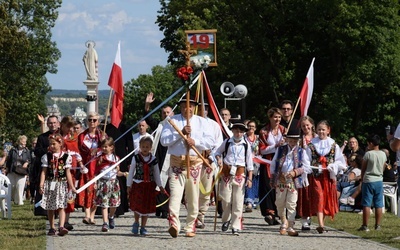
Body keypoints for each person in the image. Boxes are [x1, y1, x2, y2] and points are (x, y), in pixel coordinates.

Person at [160, 98, 213, 238]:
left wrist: (196, 142)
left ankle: (190, 226)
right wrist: (180, 133)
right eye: (184, 106)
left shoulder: (202, 122)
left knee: (193, 196)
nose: (187, 109)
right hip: (177, 163)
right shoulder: (172, 121)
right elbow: (163, 141)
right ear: (180, 107)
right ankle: (174, 224)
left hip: (194, 163)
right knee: (175, 195)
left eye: (190, 106)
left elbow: (210, 141)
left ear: (194, 108)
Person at [302, 120, 346, 234]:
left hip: (328, 177)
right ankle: (321, 224)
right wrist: (309, 169)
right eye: (319, 129)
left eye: (323, 129)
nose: (321, 131)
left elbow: (341, 162)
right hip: (316, 176)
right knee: (319, 196)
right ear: (316, 130)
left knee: (326, 199)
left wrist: (334, 166)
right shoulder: (311, 145)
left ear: (328, 130)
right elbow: (306, 160)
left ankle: (322, 223)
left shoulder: (333, 145)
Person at [215, 122, 253, 235]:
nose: (238, 133)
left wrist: (250, 179)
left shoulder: (246, 145)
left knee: (238, 201)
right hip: (227, 173)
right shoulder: (227, 142)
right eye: (236, 130)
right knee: (226, 200)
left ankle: (236, 225)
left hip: (240, 174)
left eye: (241, 131)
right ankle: (226, 219)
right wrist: (218, 159)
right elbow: (217, 152)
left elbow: (249, 163)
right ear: (233, 131)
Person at [270, 126, 307, 237]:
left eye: (295, 140)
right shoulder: (280, 149)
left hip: (293, 181)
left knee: (291, 204)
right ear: (286, 139)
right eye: (290, 140)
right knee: (279, 203)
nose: (292, 142)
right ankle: (283, 220)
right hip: (281, 180)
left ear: (298, 140)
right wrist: (274, 177)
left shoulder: (301, 152)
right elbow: (273, 164)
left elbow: (307, 167)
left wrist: (296, 172)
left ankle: (291, 225)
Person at [39, 134, 76, 236]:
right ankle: (52, 227)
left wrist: (72, 186)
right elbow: (44, 172)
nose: (52, 146)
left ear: (60, 144)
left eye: (54, 144)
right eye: (50, 144)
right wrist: (41, 185)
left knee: (61, 205)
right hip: (50, 182)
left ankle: (61, 226)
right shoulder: (47, 156)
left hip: (61, 183)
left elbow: (68, 172)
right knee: (50, 206)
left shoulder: (66, 157)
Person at [144, 92, 174, 218]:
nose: (166, 115)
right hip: (158, 156)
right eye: (164, 113)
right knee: (157, 182)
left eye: (168, 113)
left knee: (168, 184)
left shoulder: (176, 127)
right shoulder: (159, 126)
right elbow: (148, 118)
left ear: (172, 114)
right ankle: (157, 208)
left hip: (171, 157)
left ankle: (166, 209)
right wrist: (147, 105)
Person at [127, 136, 164, 236]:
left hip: (149, 186)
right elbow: (131, 172)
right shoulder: (136, 158)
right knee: (137, 206)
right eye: (143, 146)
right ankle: (136, 222)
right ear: (140, 147)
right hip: (138, 184)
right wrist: (128, 185)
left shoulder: (153, 159)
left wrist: (160, 185)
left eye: (147, 147)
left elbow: (156, 173)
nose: (145, 149)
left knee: (146, 207)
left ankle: (143, 227)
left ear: (151, 147)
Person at [196, 103, 223, 229]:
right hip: (194, 160)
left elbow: (218, 144)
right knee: (192, 189)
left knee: (205, 190)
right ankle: (193, 215)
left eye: (206, 109)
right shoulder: (192, 123)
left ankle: (201, 215)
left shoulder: (214, 125)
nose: (203, 111)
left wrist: (211, 158)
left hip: (208, 160)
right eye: (201, 108)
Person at [77, 112, 107, 225]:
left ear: (98, 122)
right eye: (90, 120)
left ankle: (92, 216)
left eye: (94, 120)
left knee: (96, 191)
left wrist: (102, 144)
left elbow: (108, 150)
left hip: (98, 167)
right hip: (86, 167)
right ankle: (87, 215)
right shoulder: (82, 136)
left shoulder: (102, 135)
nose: (92, 122)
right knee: (86, 190)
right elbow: (78, 151)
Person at [258, 107, 286, 225]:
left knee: (280, 186)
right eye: (275, 117)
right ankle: (270, 212)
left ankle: (280, 212)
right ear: (270, 118)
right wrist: (275, 146)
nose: (277, 119)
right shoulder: (264, 132)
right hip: (268, 162)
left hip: (282, 161)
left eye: (279, 117)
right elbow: (261, 150)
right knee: (268, 186)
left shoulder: (284, 130)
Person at [94, 138, 126, 232]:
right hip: (103, 183)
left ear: (111, 147)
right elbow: (96, 171)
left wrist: (123, 173)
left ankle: (111, 216)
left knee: (114, 204)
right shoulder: (100, 158)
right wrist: (95, 182)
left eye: (106, 147)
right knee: (104, 204)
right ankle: (105, 223)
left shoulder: (116, 158)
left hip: (113, 183)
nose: (103, 148)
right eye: (102, 146)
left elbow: (117, 172)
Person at [357, 134, 386, 231]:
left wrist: (362, 179)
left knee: (367, 203)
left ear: (371, 143)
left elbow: (363, 168)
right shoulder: (383, 154)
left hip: (369, 180)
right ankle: (377, 225)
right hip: (379, 180)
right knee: (378, 204)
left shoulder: (368, 154)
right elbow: (384, 167)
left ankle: (365, 225)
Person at [33, 115, 60, 216]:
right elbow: (37, 151)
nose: (52, 125)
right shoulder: (42, 137)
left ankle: (58, 210)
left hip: (59, 168)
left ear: (58, 123)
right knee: (47, 190)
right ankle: (45, 211)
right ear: (47, 124)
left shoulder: (61, 135)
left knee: (58, 190)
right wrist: (48, 150)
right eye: (50, 123)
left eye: (54, 122)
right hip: (46, 168)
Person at [59, 116, 82, 230]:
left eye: (71, 127)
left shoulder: (73, 139)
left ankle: (66, 220)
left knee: (69, 195)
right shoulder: (56, 138)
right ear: (62, 125)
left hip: (71, 171)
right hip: (58, 170)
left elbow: (77, 154)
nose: (70, 129)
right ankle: (58, 220)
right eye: (68, 126)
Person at [297, 115, 317, 230]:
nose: (305, 127)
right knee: (304, 195)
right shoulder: (299, 140)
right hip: (303, 171)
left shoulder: (317, 138)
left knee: (315, 195)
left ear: (312, 125)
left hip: (315, 171)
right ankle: (304, 218)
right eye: (303, 126)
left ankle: (316, 218)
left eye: (307, 125)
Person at [6, 135, 32, 205]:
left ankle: (20, 201)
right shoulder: (13, 150)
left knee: (20, 186)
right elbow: (9, 160)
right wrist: (7, 168)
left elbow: (30, 160)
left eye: (25, 143)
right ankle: (13, 199)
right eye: (22, 143)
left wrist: (27, 162)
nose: (23, 144)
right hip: (13, 170)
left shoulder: (27, 151)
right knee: (12, 186)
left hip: (22, 171)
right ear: (18, 142)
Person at [244, 120, 260, 212]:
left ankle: (252, 201)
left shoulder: (258, 139)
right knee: (247, 181)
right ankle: (248, 201)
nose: (251, 128)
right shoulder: (244, 138)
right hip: (245, 163)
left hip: (256, 163)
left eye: (253, 126)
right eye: (249, 126)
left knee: (254, 181)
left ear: (255, 128)